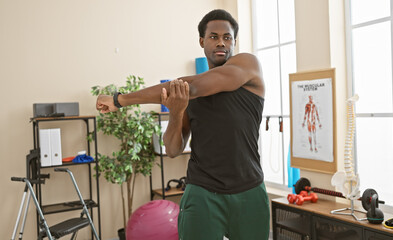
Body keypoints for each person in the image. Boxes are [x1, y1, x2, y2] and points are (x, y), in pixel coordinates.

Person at [96, 9, 269, 240]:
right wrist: (176, 113)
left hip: (249, 190)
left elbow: (194, 87)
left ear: (234, 42)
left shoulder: (248, 66)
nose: (221, 43)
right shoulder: (186, 96)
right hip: (202, 192)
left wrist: (120, 100)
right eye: (214, 36)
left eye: (227, 37)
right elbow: (173, 150)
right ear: (202, 41)